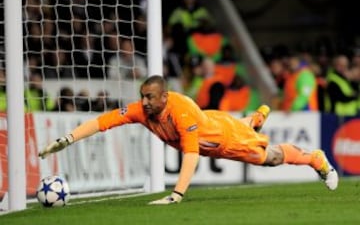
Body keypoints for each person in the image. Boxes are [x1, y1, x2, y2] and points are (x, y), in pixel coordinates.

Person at [38, 75, 338, 205]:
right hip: (213, 122)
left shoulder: (180, 111)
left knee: (269, 158)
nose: (143, 102)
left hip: (223, 139)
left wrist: (177, 194)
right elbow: (103, 122)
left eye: (149, 97)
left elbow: (191, 154)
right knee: (246, 128)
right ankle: (255, 119)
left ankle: (315, 158)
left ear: (164, 97)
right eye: (142, 96)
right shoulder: (142, 111)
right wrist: (67, 138)